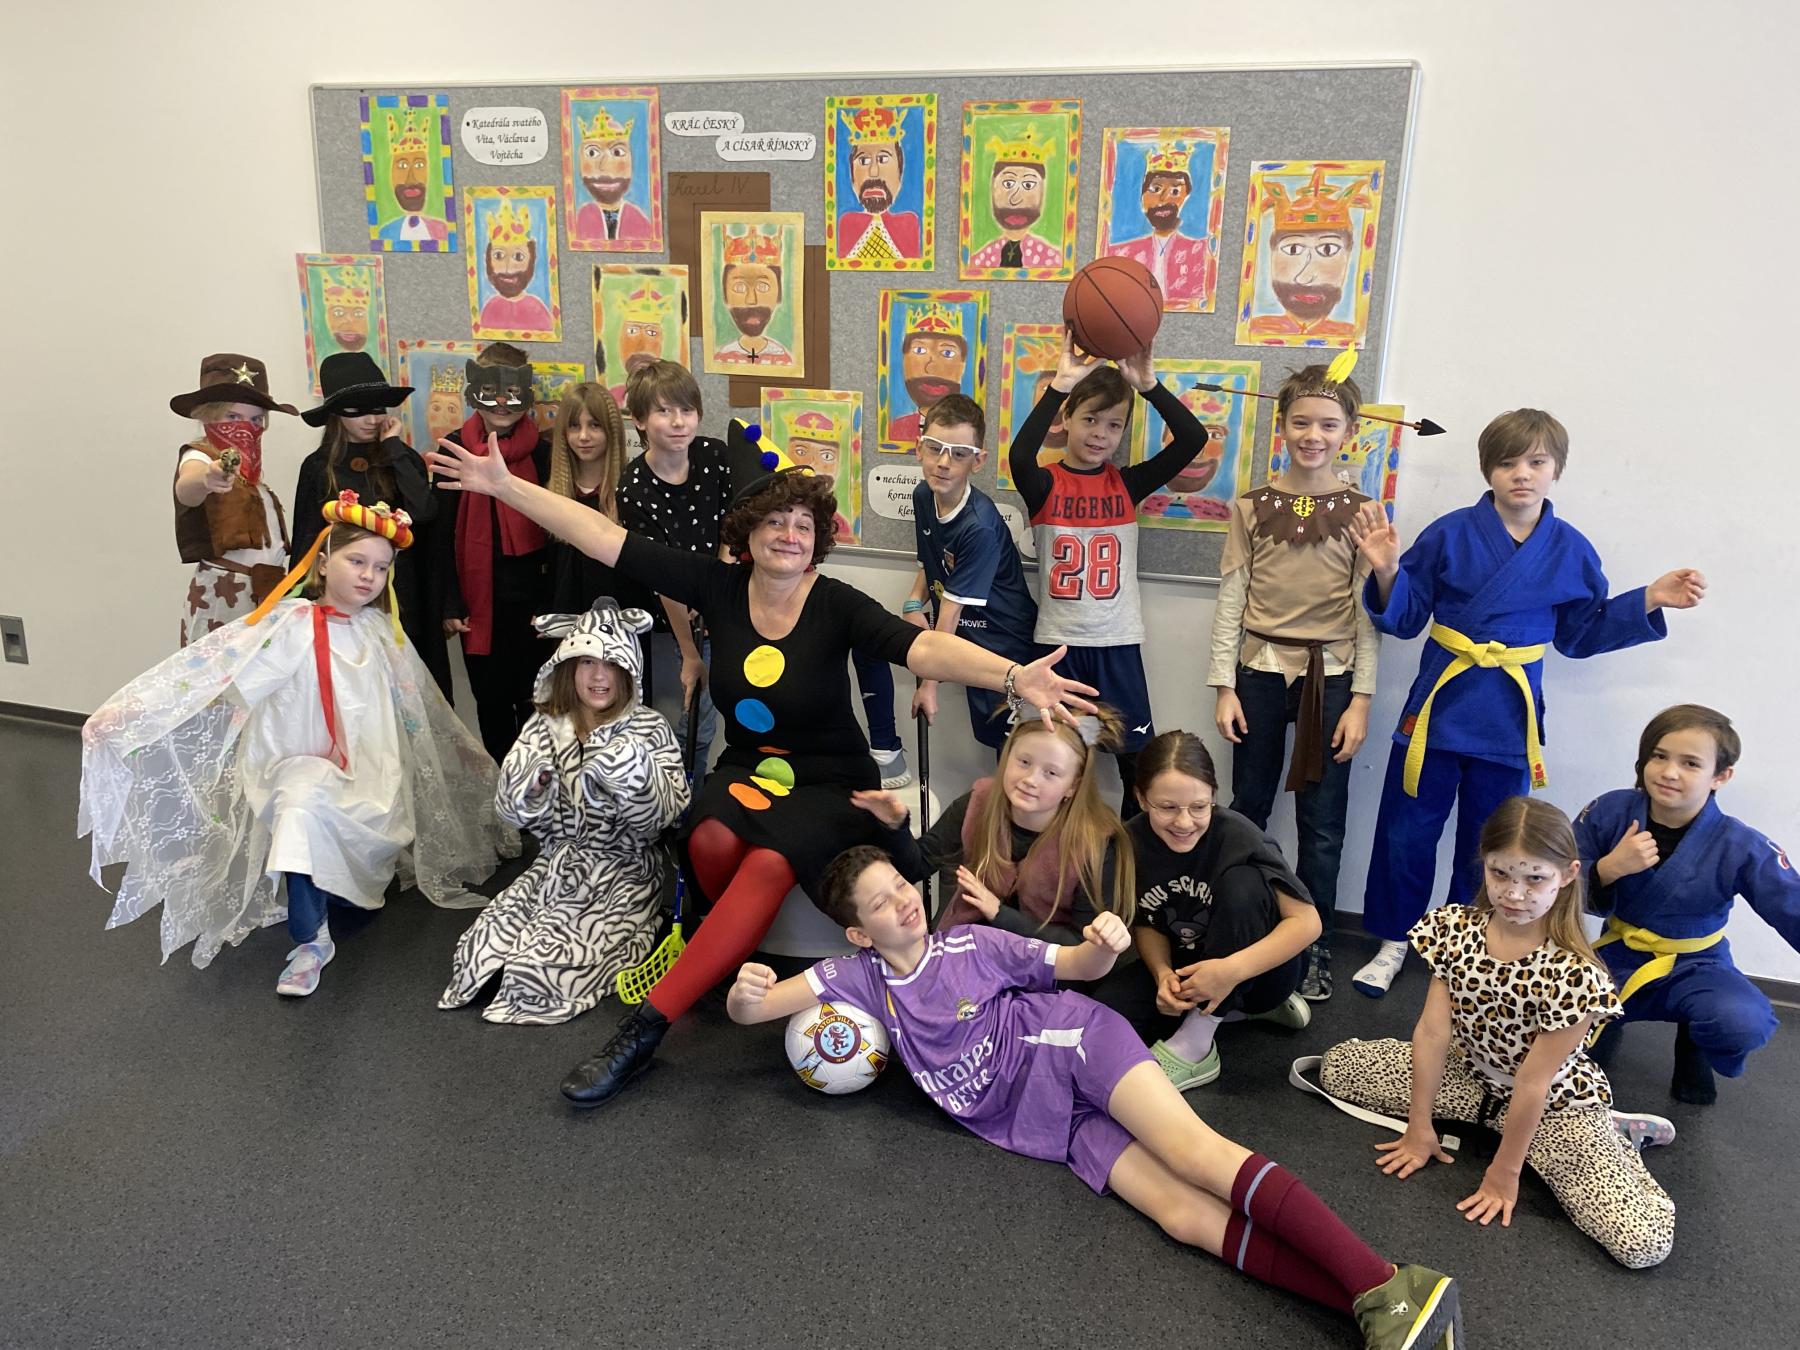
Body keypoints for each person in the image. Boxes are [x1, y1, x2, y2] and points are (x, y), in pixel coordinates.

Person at [423, 433, 1099, 1109]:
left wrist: (1013, 676)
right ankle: (723, 953)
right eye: (775, 521)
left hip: (831, 781)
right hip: (749, 767)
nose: (789, 534)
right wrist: (504, 486)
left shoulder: (836, 603)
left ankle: (643, 1032)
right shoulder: (716, 586)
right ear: (747, 533)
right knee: (709, 839)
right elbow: (604, 539)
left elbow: (921, 648)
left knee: (770, 863)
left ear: (817, 540)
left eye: (803, 524)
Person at [728, 845, 1462, 1349]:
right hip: (1040, 1121)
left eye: (900, 887)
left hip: (1075, 1045)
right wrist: (744, 991)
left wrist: (1105, 944)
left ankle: (1376, 1282)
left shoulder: (973, 945)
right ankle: (1387, 1303)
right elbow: (752, 1012)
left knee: (1194, 1155)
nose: (901, 904)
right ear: (859, 933)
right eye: (880, 904)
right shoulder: (859, 979)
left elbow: (1078, 965)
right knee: (1180, 1216)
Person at [79, 493, 508, 991]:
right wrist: (131, 713)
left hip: (371, 771)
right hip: (298, 762)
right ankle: (311, 941)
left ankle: (343, 888)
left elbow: (421, 708)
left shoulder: (381, 633)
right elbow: (213, 673)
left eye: (381, 568)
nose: (369, 576)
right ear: (322, 563)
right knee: (301, 807)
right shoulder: (288, 624)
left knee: (359, 879)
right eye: (356, 561)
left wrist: (463, 755)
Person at [1346, 408, 1707, 997]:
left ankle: (1466, 945)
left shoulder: (1569, 549)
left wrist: (1647, 598)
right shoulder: (1450, 533)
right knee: (1405, 834)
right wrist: (1386, 571)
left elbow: (1580, 634)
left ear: (1556, 469)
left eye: (1536, 462)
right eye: (1508, 462)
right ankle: (1393, 940)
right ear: (1487, 469)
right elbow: (1406, 619)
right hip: (1436, 712)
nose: (1522, 474)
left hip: (1510, 723)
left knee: (1492, 843)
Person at [1313, 797, 1677, 1269]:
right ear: (1484, 862)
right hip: (1469, 1077)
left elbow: (1533, 1082)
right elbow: (1432, 1034)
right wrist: (1419, 1126)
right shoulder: (1455, 929)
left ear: (1567, 875)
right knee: (1337, 1068)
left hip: (1552, 1106)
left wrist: (1505, 1171)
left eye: (1535, 879)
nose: (1514, 894)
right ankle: (1487, 1123)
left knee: (1642, 1242)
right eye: (1500, 873)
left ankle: (1612, 1134)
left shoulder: (1577, 976)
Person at [1209, 365, 1378, 1002]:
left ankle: (1315, 942)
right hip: (1257, 671)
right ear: (1281, 426)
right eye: (1301, 422)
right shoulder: (1251, 506)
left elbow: (1366, 613)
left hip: (1328, 680)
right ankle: (1242, 928)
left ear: (1349, 432)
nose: (1313, 435)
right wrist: (1223, 684)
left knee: (1323, 821)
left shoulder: (1364, 512)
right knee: (1247, 807)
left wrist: (1361, 699)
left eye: (1328, 425)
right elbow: (1232, 597)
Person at [440, 601, 688, 1025]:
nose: (598, 676)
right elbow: (512, 811)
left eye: (611, 664)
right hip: (556, 865)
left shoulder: (649, 728)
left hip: (623, 871)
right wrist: (529, 785)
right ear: (567, 666)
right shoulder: (546, 725)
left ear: (628, 669)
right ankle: (513, 961)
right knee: (476, 952)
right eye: (586, 662)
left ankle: (572, 957)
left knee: (541, 968)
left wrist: (627, 771)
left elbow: (666, 816)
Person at [1009, 328, 1211, 813]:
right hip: (1058, 648)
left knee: (1134, 765)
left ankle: (1129, 852)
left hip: (1116, 645)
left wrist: (1149, 386)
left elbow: (1193, 438)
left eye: (1114, 425)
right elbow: (1019, 454)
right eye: (1090, 419)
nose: (1100, 433)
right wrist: (1060, 385)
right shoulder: (1044, 485)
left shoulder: (1127, 484)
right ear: (1067, 420)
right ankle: (1052, 850)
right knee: (1055, 761)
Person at [1575, 704, 1798, 1105]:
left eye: (1690, 763)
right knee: (1557, 1033)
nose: (1669, 772)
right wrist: (1608, 869)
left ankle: (1696, 1040)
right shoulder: (1610, 811)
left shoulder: (1738, 844)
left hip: (1699, 963)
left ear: (1720, 776)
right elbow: (1554, 878)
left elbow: (1791, 903)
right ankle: (1604, 1026)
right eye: (1659, 756)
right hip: (1617, 955)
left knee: (1740, 1022)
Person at [1100, 732, 1319, 1091]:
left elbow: (1308, 923)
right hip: (1190, 968)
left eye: (1199, 807)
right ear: (1140, 798)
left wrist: (1230, 972)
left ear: (1214, 797)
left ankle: (1197, 1042)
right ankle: (1232, 1012)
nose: (1184, 822)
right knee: (1105, 1013)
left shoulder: (1239, 835)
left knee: (1243, 885)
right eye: (1167, 807)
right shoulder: (1129, 841)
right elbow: (1146, 919)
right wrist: (1162, 974)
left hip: (1263, 972)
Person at [850, 706, 1133, 943]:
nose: (1031, 780)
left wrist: (999, 913)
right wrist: (896, 827)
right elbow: (916, 866)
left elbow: (1084, 944)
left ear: (1073, 786)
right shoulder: (978, 803)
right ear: (1007, 757)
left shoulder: (1095, 843)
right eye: (1023, 762)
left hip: (1049, 971)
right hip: (967, 952)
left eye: (1051, 773)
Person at [291, 351, 449, 699]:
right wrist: (300, 604)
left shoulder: (402, 458)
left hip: (401, 598)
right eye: (358, 410)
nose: (372, 419)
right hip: (339, 601)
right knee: (350, 693)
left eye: (378, 409)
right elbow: (306, 538)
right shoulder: (318, 467)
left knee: (404, 694)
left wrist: (393, 447)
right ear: (336, 413)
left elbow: (424, 512)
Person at [432, 343, 551, 761]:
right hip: (480, 603)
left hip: (533, 602)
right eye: (490, 391)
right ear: (474, 390)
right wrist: (450, 601)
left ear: (527, 393)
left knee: (539, 699)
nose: (501, 403)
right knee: (492, 701)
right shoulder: (453, 450)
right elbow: (441, 533)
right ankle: (503, 784)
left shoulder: (544, 452)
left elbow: (558, 532)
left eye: (512, 393)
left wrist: (552, 604)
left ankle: (539, 785)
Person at [906, 392, 1042, 755]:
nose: (943, 462)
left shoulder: (978, 526)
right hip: (966, 640)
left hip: (1005, 645)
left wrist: (929, 684)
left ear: (977, 461)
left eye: (959, 454)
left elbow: (950, 614)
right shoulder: (923, 495)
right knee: (994, 742)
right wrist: (912, 602)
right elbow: (931, 560)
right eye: (935, 448)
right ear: (919, 449)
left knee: (1016, 752)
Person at [616, 360, 732, 773]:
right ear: (640, 420)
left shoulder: (714, 456)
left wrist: (717, 589)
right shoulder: (633, 487)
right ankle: (679, 805)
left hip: (723, 602)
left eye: (687, 410)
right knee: (687, 723)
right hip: (675, 619)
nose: (679, 422)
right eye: (664, 411)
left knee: (726, 716)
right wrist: (689, 652)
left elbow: (732, 528)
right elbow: (659, 574)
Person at [167, 353, 299, 647]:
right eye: (233, 417)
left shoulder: (253, 477)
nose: (245, 426)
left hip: (267, 590)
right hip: (226, 594)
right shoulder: (200, 455)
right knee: (219, 668)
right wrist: (206, 478)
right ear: (207, 415)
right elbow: (187, 486)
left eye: (255, 419)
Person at [543, 382, 641, 617]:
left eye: (595, 425)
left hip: (621, 620)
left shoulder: (632, 493)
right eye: (574, 426)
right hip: (567, 619)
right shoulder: (551, 495)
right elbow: (550, 568)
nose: (584, 436)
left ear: (611, 430)